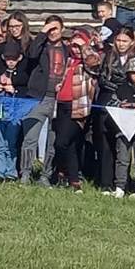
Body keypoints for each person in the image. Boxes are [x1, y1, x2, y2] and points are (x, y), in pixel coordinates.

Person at [50, 29, 101, 192]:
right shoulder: (70, 61)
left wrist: (84, 46)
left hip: (77, 107)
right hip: (62, 105)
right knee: (70, 145)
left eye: (77, 46)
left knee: (61, 142)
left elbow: (94, 62)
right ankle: (74, 181)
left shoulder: (88, 64)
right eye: (72, 45)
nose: (75, 49)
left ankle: (61, 172)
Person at [21, 16, 66, 186]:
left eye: (55, 28)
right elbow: (31, 54)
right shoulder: (40, 47)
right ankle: (25, 174)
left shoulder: (67, 49)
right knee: (30, 139)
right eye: (49, 29)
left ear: (62, 29)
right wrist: (42, 32)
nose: (52, 32)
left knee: (52, 142)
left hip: (58, 100)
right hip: (37, 98)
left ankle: (45, 176)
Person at [97, 28, 135, 193]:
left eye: (125, 41)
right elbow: (102, 79)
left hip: (130, 102)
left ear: (132, 42)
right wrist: (117, 91)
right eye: (118, 40)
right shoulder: (108, 57)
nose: (121, 44)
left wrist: (125, 91)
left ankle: (124, 183)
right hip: (108, 101)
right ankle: (107, 183)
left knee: (126, 144)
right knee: (107, 144)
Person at [0, 42, 30, 182]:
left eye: (13, 58)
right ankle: (0, 171)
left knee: (11, 144)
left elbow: (24, 92)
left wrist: (14, 90)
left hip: (14, 114)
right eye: (7, 58)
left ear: (19, 58)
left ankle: (11, 171)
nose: (10, 61)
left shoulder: (22, 75)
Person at [107, 57, 135, 198]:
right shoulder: (121, 88)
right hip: (123, 130)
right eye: (133, 72)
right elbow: (111, 103)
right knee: (122, 159)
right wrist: (120, 105)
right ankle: (120, 187)